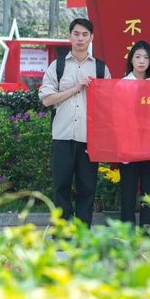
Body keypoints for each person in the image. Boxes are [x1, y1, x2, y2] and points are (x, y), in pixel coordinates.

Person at [39, 18, 111, 226]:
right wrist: (75, 88)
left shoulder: (100, 69)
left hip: (89, 139)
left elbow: (109, 105)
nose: (80, 38)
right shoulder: (58, 66)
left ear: (91, 38)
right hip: (62, 136)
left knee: (87, 188)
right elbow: (46, 100)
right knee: (60, 187)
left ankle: (81, 233)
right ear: (69, 36)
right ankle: (63, 232)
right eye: (76, 34)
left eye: (85, 34)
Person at [119, 40, 150, 227]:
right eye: (138, 57)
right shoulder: (122, 84)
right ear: (131, 60)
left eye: (146, 57)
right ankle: (127, 228)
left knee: (149, 188)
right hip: (128, 144)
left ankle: (147, 226)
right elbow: (117, 116)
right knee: (128, 187)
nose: (142, 61)